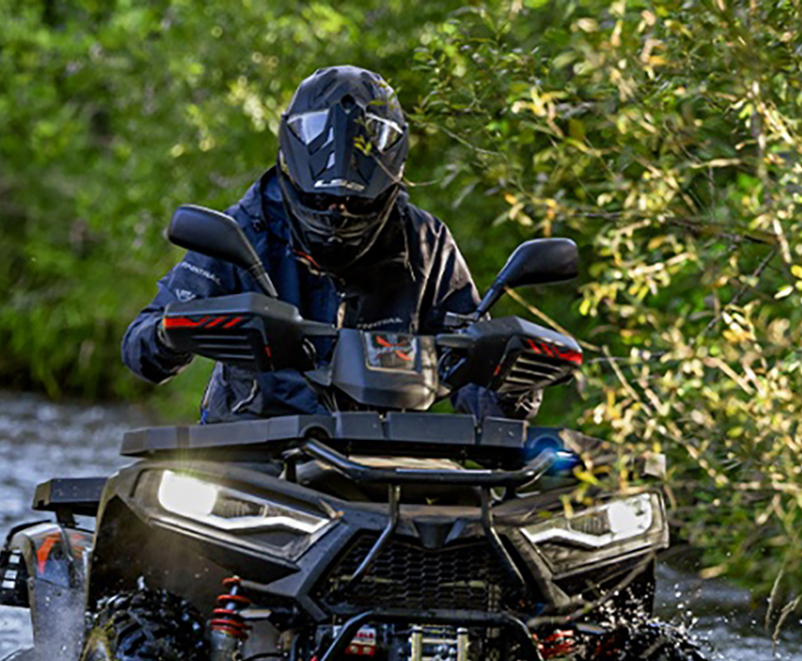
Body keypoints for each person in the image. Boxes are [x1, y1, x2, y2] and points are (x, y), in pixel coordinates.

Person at [123, 65, 541, 424]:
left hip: (388, 456)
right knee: (170, 486)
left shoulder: (425, 243)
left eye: (356, 205)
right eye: (322, 203)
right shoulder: (241, 232)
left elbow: (472, 374)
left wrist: (511, 384)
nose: (338, 215)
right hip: (253, 454)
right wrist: (175, 333)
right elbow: (141, 348)